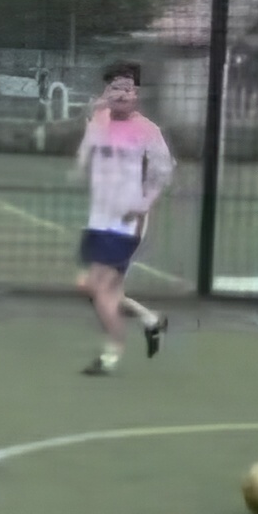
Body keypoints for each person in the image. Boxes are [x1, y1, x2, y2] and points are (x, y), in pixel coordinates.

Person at [70, 63, 175, 376]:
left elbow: (163, 172)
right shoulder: (98, 121)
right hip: (98, 220)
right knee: (93, 287)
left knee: (101, 289)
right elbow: (85, 155)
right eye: (115, 87)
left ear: (136, 94)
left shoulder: (147, 130)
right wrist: (93, 119)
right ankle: (151, 321)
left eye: (128, 88)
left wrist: (143, 204)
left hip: (125, 223)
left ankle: (111, 354)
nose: (122, 94)